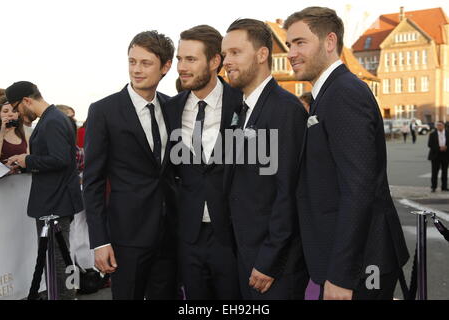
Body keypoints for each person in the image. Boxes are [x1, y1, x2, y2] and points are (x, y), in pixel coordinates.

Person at [285, 7, 409, 300]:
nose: (291, 53)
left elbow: (358, 190)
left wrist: (342, 275)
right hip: (351, 258)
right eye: (289, 44)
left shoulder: (344, 93)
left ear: (329, 42)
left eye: (300, 42)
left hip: (362, 262)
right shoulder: (327, 93)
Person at [83, 30, 178, 300]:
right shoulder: (103, 111)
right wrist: (100, 241)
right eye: (132, 61)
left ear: (166, 66)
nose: (136, 70)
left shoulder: (173, 108)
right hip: (126, 237)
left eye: (145, 63)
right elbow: (93, 182)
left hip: (170, 234)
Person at [221, 18, 309, 299]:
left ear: (262, 55)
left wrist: (269, 262)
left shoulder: (286, 111)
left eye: (235, 52)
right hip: (245, 257)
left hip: (273, 269)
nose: (226, 61)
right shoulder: (240, 109)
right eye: (225, 54)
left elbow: (290, 194)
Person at [165, 25, 241, 299]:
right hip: (188, 235)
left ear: (214, 61)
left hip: (232, 236)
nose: (181, 67)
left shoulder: (242, 104)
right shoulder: (169, 109)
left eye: (191, 59)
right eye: (180, 59)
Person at [5, 81, 83, 300]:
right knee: (58, 262)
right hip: (55, 200)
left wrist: (27, 160)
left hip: (56, 202)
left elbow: (61, 159)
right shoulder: (53, 118)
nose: (18, 114)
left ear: (27, 101)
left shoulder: (53, 121)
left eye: (17, 107)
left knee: (60, 263)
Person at [0, 99, 29, 168]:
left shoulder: (25, 135)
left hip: (21, 176)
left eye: (14, 111)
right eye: (5, 111)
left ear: (18, 114)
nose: (10, 114)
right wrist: (1, 134)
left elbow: (29, 158)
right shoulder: (0, 134)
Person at [428, 121, 449, 192]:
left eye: (440, 125)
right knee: (434, 172)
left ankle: (444, 187)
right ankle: (433, 187)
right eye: (438, 125)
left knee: (445, 172)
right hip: (435, 155)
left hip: (445, 155)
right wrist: (439, 148)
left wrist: (446, 147)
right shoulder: (432, 134)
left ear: (444, 126)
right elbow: (430, 144)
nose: (439, 127)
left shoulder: (447, 133)